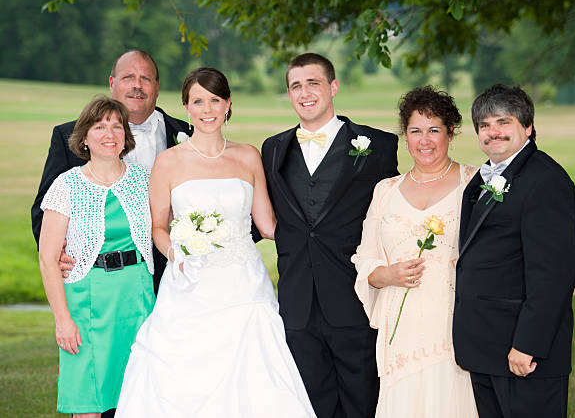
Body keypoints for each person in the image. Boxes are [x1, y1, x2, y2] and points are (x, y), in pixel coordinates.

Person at [115, 67, 316, 417]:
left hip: (243, 284)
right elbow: (158, 227)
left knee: (256, 374)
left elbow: (267, 224)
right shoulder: (168, 162)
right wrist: (177, 253)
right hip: (189, 283)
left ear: (227, 105)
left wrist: (318, 231)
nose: (206, 110)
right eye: (197, 101)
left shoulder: (248, 156)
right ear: (186, 107)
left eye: (214, 100)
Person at [261, 53, 399, 418]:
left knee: (362, 398)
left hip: (353, 295)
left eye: (313, 83)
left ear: (332, 87)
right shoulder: (273, 149)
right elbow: (260, 215)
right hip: (297, 300)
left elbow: (395, 213)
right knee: (311, 401)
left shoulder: (379, 146)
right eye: (296, 86)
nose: (305, 93)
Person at [351, 86, 479, 417]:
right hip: (402, 328)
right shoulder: (386, 190)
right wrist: (386, 274)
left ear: (451, 133)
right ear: (405, 135)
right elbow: (364, 258)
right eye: (415, 131)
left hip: (454, 323)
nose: (424, 140)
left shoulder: (474, 184)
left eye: (434, 130)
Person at [453, 84, 575, 418]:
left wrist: (527, 345)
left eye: (503, 122)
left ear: (528, 127)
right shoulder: (482, 178)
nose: (493, 132)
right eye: (484, 125)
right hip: (485, 347)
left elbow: (553, 276)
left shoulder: (545, 181)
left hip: (523, 353)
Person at [31, 49, 190, 293]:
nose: (137, 85)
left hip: (179, 270)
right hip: (101, 280)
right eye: (128, 77)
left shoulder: (188, 136)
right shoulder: (68, 136)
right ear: (112, 83)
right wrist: (59, 251)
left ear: (156, 87)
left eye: (145, 79)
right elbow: (46, 207)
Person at [38, 96, 156, 417]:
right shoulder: (67, 185)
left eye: (117, 126)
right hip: (86, 302)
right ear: (85, 137)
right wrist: (63, 320)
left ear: (125, 137)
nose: (109, 133)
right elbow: (48, 259)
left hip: (138, 298)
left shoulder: (145, 180)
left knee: (140, 395)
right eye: (99, 126)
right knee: (88, 401)